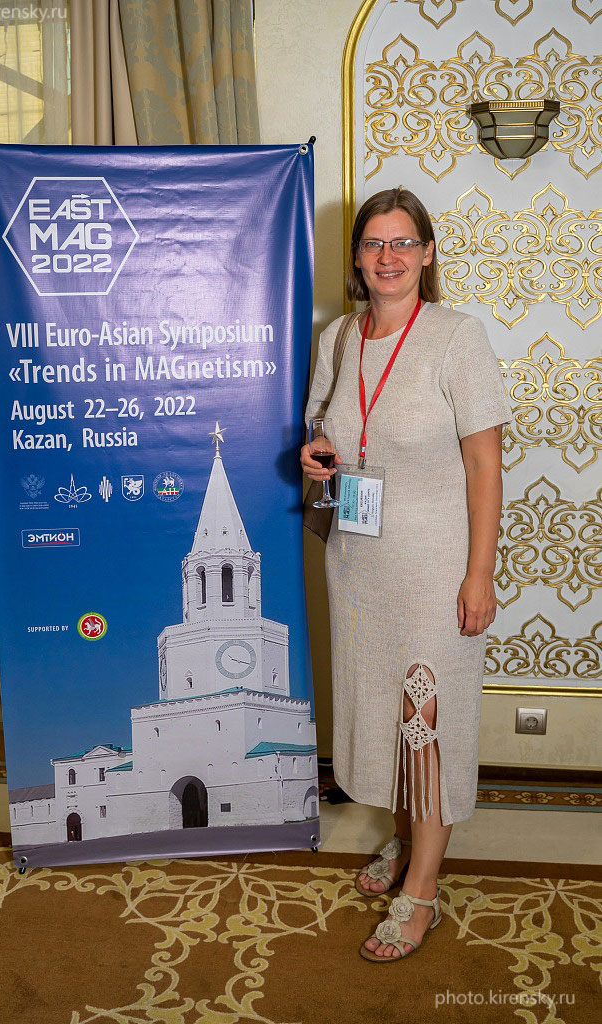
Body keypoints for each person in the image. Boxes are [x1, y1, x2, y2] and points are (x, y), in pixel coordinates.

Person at [301, 187, 511, 962]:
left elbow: (485, 465)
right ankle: (405, 839)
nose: (386, 257)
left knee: (425, 724)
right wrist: (313, 455)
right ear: (356, 258)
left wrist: (478, 574)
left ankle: (421, 888)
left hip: (434, 566)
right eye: (372, 243)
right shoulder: (337, 338)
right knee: (381, 713)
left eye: (401, 243)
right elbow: (322, 429)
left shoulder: (457, 337)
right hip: (357, 564)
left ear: (425, 254)